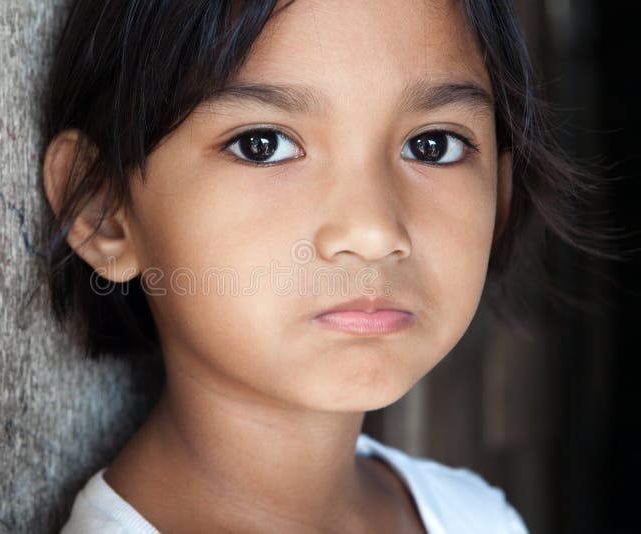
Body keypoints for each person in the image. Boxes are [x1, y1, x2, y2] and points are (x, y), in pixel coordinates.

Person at [41, 1, 599, 532]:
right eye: (264, 145)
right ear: (103, 210)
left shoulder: (477, 519)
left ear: (499, 198)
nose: (375, 231)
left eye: (433, 145)